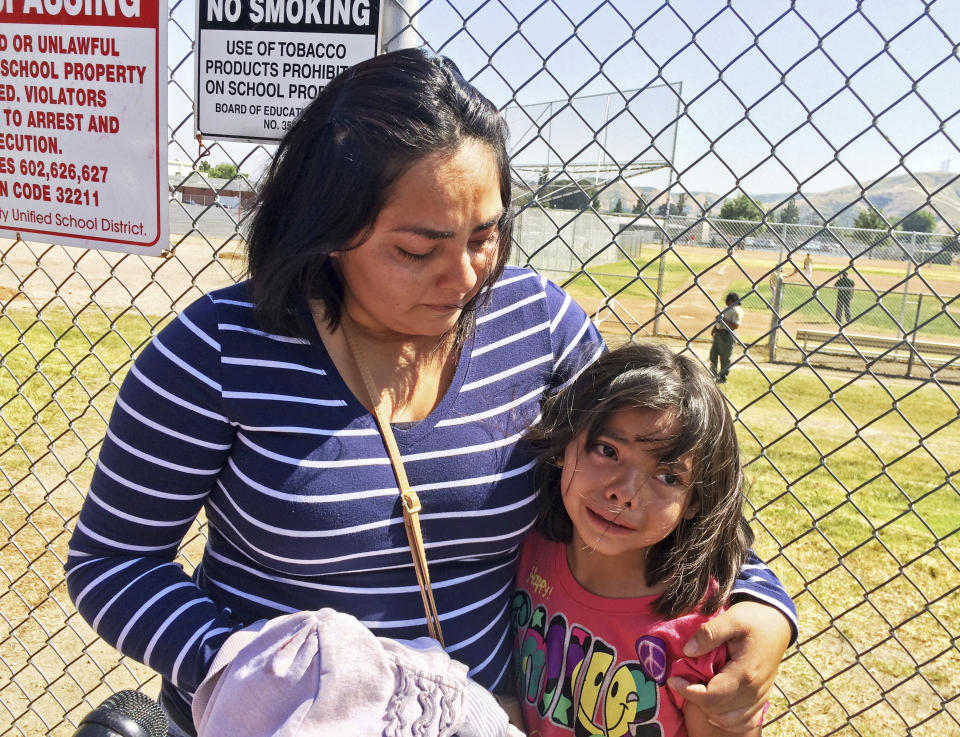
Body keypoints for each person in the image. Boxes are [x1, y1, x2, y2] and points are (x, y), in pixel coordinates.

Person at [65, 49, 795, 737]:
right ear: (328, 229)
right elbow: (111, 561)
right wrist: (248, 668)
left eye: (485, 236)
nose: (465, 278)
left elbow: (665, 477)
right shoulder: (217, 349)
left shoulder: (537, 325)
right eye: (417, 251)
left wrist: (762, 605)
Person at [513, 343, 768, 737]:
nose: (625, 492)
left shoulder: (699, 636)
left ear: (695, 502)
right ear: (565, 444)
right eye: (607, 450)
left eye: (668, 477)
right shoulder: (524, 547)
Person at [709, 292, 742, 383]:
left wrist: (723, 320)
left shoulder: (737, 311)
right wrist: (714, 329)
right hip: (719, 333)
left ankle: (723, 377)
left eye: (728, 300)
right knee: (713, 355)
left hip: (728, 335)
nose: (727, 302)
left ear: (732, 301)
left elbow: (735, 326)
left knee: (725, 358)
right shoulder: (726, 308)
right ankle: (713, 374)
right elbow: (719, 320)